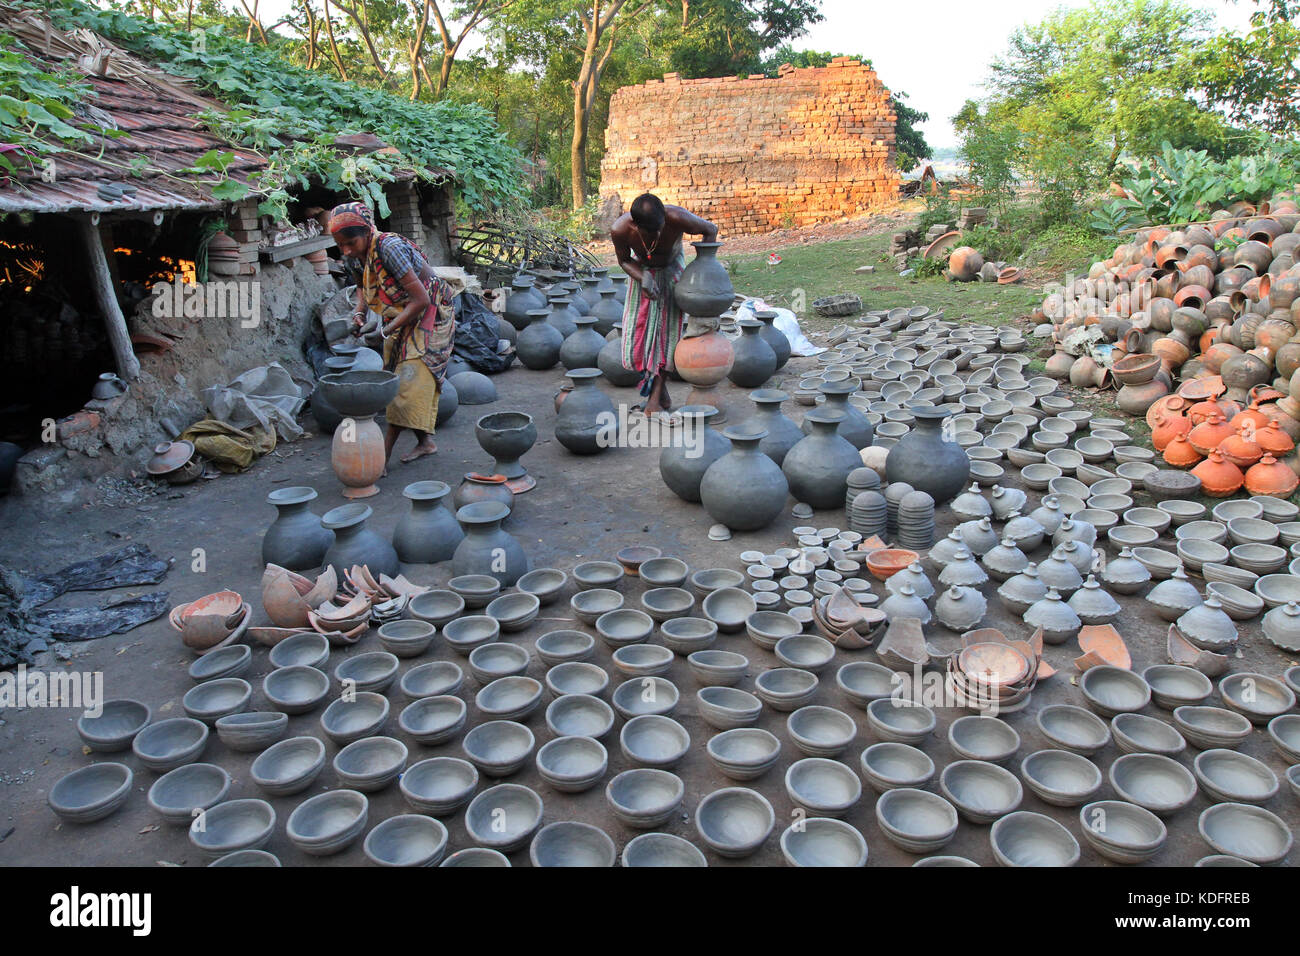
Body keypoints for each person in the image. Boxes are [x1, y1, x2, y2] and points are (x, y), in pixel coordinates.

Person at [327, 201, 455, 465]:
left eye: (351, 242)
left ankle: (381, 457)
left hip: (430, 313)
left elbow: (420, 300)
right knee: (393, 373)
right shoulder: (356, 254)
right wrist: (359, 313)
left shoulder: (389, 248)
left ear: (366, 232)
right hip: (401, 314)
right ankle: (425, 442)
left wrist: (386, 330)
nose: (347, 250)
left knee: (405, 385)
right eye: (340, 245)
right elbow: (361, 284)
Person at [611, 193, 717, 416]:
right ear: (636, 225)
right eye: (652, 231)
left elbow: (711, 230)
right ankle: (660, 396)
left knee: (665, 337)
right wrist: (643, 278)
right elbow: (623, 260)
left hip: (672, 270)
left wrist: (703, 269)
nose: (658, 233)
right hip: (643, 274)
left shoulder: (677, 217)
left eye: (660, 227)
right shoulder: (620, 229)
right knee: (639, 337)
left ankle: (654, 400)